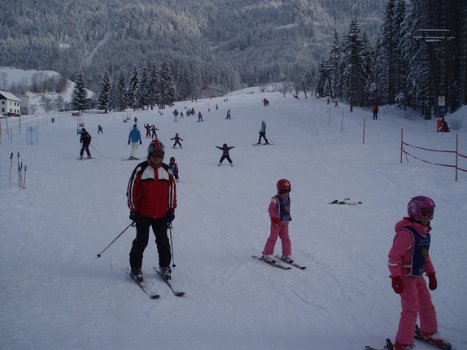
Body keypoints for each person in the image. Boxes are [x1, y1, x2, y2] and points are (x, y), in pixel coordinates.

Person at [388, 196, 446, 350]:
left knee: (426, 304)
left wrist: (431, 274)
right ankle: (403, 343)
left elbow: (424, 255)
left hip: (417, 274)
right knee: (411, 309)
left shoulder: (423, 233)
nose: (428, 217)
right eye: (425, 213)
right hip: (406, 276)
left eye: (431, 213)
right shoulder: (407, 234)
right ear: (415, 213)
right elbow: (394, 257)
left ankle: (429, 332)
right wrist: (396, 277)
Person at [127, 139, 177, 283]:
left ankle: (165, 266)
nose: (157, 158)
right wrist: (133, 210)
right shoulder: (140, 170)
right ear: (149, 155)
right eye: (154, 155)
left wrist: (171, 210)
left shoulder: (167, 171)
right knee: (141, 241)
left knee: (163, 241)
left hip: (161, 214)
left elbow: (172, 192)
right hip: (143, 214)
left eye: (160, 155)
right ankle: (136, 268)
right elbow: (131, 191)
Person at [262, 179, 293, 263]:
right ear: (280, 190)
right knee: (273, 238)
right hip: (276, 223)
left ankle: (287, 255)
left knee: (286, 239)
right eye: (284, 191)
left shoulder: (287, 198)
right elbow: (270, 210)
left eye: (288, 191)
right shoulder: (275, 199)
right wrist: (274, 219)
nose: (286, 193)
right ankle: (267, 254)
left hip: (285, 223)